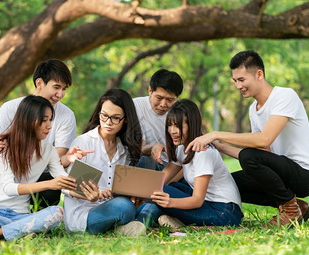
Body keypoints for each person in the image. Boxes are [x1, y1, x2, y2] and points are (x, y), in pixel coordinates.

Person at [186, 50, 309, 228]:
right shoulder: (253, 110)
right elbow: (263, 154)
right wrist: (218, 146)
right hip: (282, 170)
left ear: (259, 74)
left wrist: (216, 133)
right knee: (231, 184)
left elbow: (263, 140)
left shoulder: (284, 96)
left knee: (248, 156)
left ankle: (289, 210)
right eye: (235, 81)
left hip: (304, 176)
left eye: (241, 80)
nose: (237, 86)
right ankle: (297, 206)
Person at [0, 96, 78, 241]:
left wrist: (88, 190)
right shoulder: (4, 146)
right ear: (28, 120)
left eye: (50, 120)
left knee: (57, 212)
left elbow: (62, 178)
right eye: (44, 120)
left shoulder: (48, 150)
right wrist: (49, 184)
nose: (49, 126)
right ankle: (21, 229)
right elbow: (9, 188)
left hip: (20, 214)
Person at [0, 59, 83, 208]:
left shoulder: (66, 115)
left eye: (64, 89)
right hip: (8, 174)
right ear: (39, 83)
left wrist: (86, 188)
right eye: (56, 87)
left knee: (52, 191)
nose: (60, 94)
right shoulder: (10, 108)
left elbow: (56, 163)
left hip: (41, 176)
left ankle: (28, 215)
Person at [63, 88, 146, 237]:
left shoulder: (124, 150)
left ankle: (120, 227)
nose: (108, 122)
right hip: (84, 215)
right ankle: (125, 226)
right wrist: (94, 195)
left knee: (148, 205)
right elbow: (65, 187)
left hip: (112, 207)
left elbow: (120, 189)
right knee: (124, 206)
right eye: (104, 116)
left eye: (115, 118)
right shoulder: (84, 142)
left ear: (126, 119)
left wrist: (133, 196)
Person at [150, 99, 243, 231]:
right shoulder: (182, 148)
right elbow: (161, 179)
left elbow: (197, 200)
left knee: (159, 192)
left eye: (178, 126)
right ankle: (154, 218)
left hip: (225, 213)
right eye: (169, 125)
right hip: (209, 204)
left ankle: (148, 220)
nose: (172, 131)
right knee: (159, 187)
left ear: (192, 125)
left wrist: (169, 202)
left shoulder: (203, 153)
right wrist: (139, 191)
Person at [132, 69, 185, 227]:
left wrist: (167, 182)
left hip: (174, 173)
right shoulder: (135, 107)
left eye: (170, 100)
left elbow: (187, 157)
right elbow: (134, 147)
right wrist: (152, 147)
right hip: (146, 167)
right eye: (159, 98)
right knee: (144, 160)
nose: (163, 105)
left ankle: (141, 221)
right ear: (150, 90)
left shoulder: (182, 114)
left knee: (162, 195)